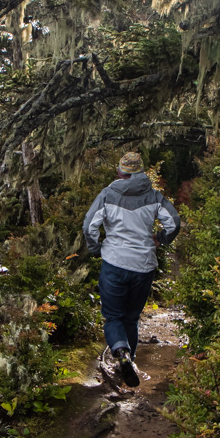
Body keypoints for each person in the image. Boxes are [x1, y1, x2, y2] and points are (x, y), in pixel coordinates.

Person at [83, 152, 180, 387]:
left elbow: (89, 226)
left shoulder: (107, 194)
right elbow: (174, 223)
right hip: (143, 266)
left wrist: (96, 248)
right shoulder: (154, 196)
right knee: (131, 318)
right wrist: (160, 238)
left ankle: (122, 354)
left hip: (114, 264)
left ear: (120, 171)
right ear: (140, 172)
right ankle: (130, 360)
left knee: (113, 316)